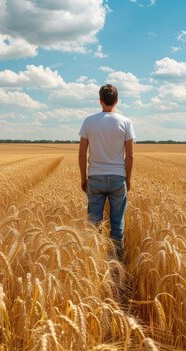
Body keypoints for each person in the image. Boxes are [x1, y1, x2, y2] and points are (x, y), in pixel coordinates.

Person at [78, 84, 135, 261]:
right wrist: (128, 179)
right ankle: (116, 262)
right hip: (118, 178)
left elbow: (81, 153)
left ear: (100, 100)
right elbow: (130, 155)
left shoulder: (89, 121)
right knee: (117, 223)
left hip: (95, 177)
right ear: (116, 101)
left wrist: (83, 178)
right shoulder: (126, 122)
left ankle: (93, 261)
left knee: (94, 224)